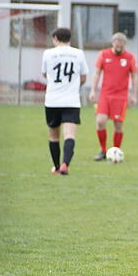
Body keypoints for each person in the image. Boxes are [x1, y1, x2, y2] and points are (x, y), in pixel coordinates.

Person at [41, 28, 89, 175]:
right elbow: (83, 77)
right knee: (69, 135)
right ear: (69, 39)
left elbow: (45, 74)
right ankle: (65, 165)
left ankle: (56, 167)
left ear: (55, 38)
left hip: (52, 100)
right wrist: (72, 86)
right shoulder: (78, 53)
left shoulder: (48, 53)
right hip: (71, 101)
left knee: (53, 136)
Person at [89, 32, 138, 160]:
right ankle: (103, 150)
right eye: (117, 44)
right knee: (100, 121)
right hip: (105, 95)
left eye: (121, 45)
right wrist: (93, 90)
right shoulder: (103, 54)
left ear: (124, 44)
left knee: (118, 125)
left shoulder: (130, 57)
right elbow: (97, 73)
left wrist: (134, 95)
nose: (119, 47)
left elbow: (134, 76)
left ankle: (115, 151)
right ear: (113, 43)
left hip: (120, 96)